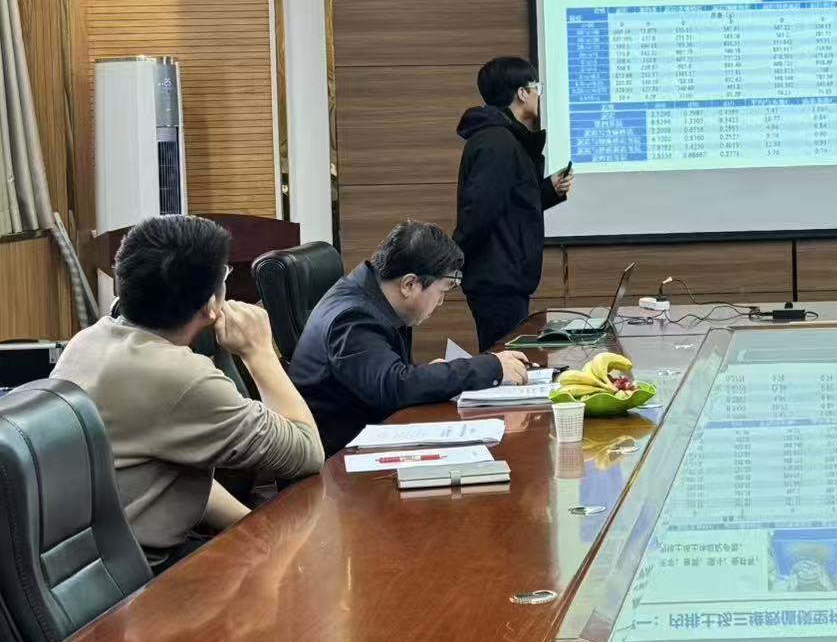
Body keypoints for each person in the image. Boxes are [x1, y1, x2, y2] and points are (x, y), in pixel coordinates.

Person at [51, 215, 324, 570]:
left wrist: (256, 529)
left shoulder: (89, 339)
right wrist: (259, 352)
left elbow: (168, 474)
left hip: (93, 560)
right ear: (211, 304)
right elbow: (307, 452)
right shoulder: (178, 376)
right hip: (140, 573)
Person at [290, 221, 531, 453]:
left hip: (368, 432)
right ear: (410, 284)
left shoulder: (375, 298)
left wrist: (430, 375)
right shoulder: (353, 318)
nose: (440, 302)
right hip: (338, 461)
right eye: (441, 291)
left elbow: (391, 376)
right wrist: (489, 367)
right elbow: (393, 387)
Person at [455, 57, 572, 351]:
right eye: (536, 88)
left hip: (504, 276)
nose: (538, 95)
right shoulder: (498, 142)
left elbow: (510, 205)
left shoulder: (505, 139)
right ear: (522, 93)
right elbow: (481, 213)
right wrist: (451, 258)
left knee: (509, 359)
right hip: (496, 280)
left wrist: (549, 190)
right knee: (504, 362)